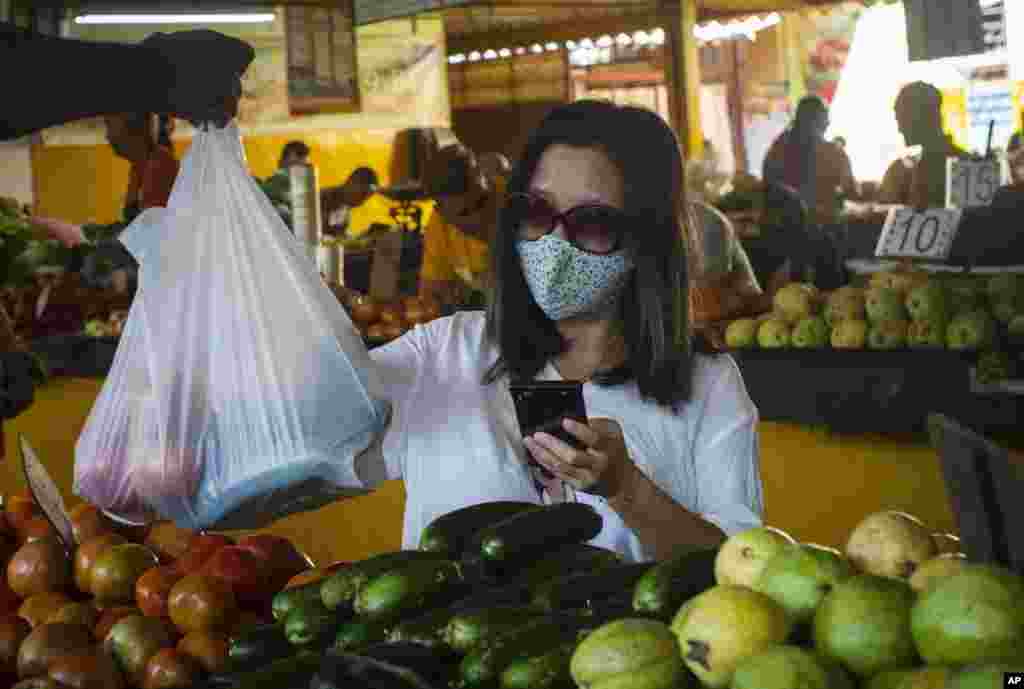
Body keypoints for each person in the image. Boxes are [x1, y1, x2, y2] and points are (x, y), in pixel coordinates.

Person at [353, 101, 761, 562]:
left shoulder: (709, 385)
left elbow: (739, 574)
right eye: (537, 212)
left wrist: (628, 490)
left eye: (591, 222)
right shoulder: (440, 355)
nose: (555, 243)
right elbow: (304, 430)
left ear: (646, 238)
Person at [0, 25, 252, 424]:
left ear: (142, 123)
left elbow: (160, 243)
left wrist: (150, 72)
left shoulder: (158, 169)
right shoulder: (142, 168)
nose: (106, 131)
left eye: (111, 121)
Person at [419, 143, 506, 306]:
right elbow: (431, 298)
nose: (479, 218)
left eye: (482, 202)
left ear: (487, 181)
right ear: (443, 214)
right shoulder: (439, 227)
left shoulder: (516, 202)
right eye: (465, 213)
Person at [763, 95, 858, 226]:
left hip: (778, 229)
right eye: (826, 117)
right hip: (820, 230)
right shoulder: (833, 153)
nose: (829, 122)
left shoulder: (778, 147)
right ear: (820, 120)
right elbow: (852, 192)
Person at [878, 81, 968, 209]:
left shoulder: (899, 171)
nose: (900, 129)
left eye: (903, 119)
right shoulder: (967, 163)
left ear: (927, 116)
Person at [321, 167, 379, 236]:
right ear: (351, 182)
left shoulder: (345, 209)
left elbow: (339, 236)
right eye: (362, 194)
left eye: (367, 198)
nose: (362, 202)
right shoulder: (321, 198)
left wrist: (359, 238)